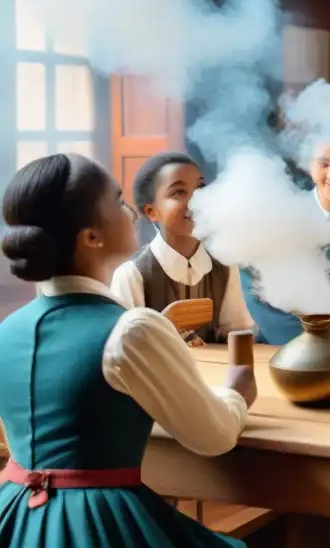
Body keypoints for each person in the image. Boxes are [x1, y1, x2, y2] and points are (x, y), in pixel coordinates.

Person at [0, 153, 256, 547]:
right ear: (91, 237)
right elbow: (215, 437)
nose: (133, 214)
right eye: (119, 201)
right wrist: (236, 391)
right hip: (98, 524)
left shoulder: (7, 331)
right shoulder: (131, 329)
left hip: (15, 516)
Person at [242, 128, 330, 345]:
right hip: (281, 343)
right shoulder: (284, 212)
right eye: (324, 164)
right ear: (309, 165)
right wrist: (301, 343)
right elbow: (255, 286)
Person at [108, 151, 253, 345]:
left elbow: (237, 334)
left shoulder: (225, 267)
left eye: (200, 189)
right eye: (178, 192)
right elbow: (120, 350)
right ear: (151, 212)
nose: (196, 202)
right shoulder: (132, 275)